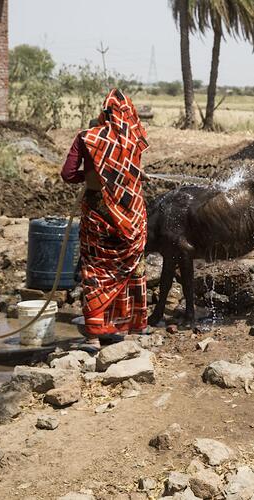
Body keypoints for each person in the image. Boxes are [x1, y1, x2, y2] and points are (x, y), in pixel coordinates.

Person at [61, 89, 150, 345]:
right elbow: (127, 171)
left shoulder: (87, 138)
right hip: (130, 215)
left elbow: (67, 174)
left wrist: (90, 177)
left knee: (97, 269)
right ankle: (135, 329)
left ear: (104, 111)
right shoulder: (134, 138)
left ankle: (94, 336)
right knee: (132, 267)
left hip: (98, 213)